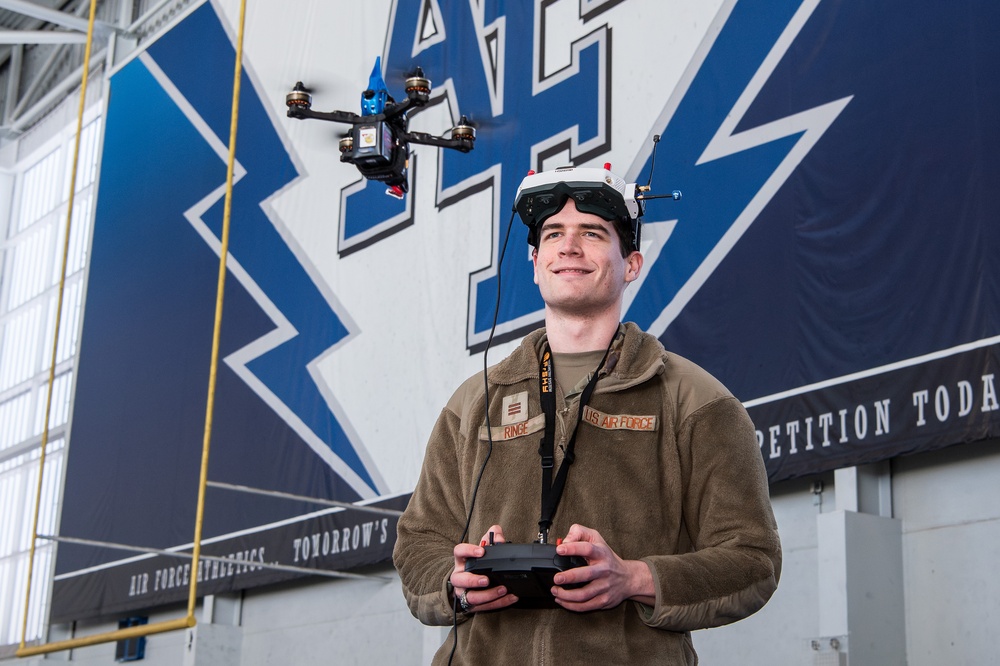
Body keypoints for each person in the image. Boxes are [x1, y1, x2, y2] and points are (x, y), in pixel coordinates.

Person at [393, 165, 781, 664]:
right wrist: (456, 583)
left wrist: (634, 578)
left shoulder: (697, 401)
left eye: (592, 233)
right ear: (535, 262)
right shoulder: (472, 402)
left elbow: (753, 560)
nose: (568, 247)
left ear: (632, 264)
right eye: (553, 233)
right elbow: (418, 543)